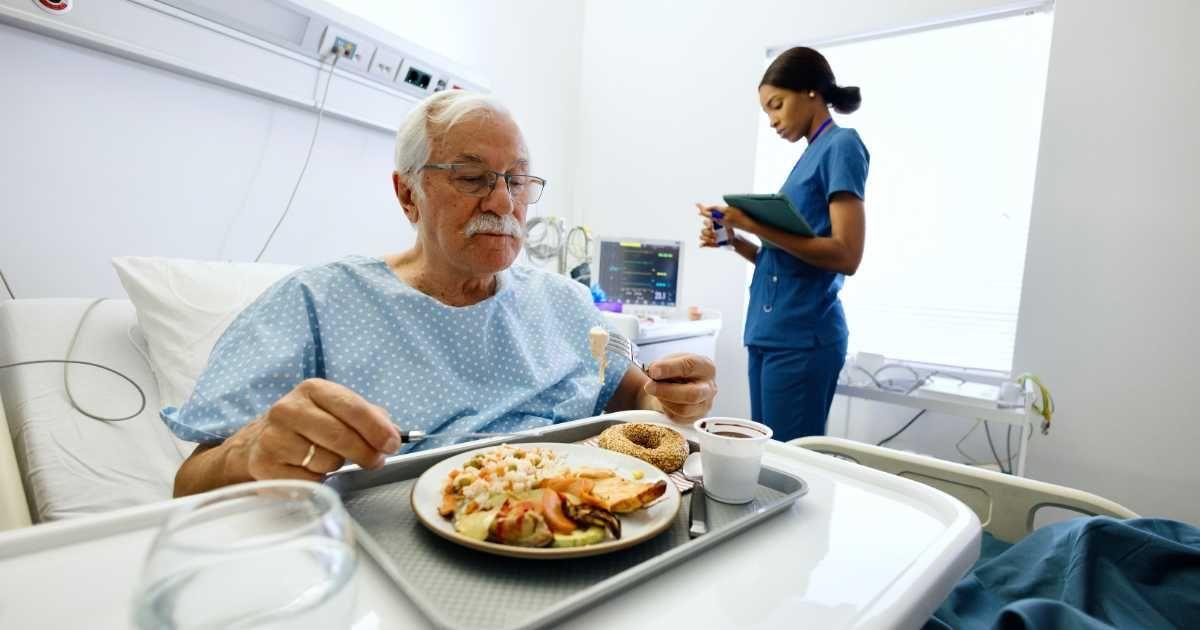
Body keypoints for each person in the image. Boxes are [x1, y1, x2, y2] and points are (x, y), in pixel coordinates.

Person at [168, 90, 718, 497]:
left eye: (517, 180)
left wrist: (668, 396)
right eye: (472, 178)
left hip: (591, 517)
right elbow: (190, 483)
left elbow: (630, 396)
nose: (504, 203)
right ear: (408, 194)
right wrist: (252, 450)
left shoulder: (564, 302)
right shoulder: (319, 303)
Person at [697, 47, 868, 442]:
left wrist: (752, 221)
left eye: (777, 105)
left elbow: (847, 254)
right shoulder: (810, 156)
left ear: (810, 91)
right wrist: (735, 240)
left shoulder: (841, 145)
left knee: (792, 462)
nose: (773, 120)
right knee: (770, 455)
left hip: (802, 336)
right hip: (770, 333)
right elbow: (783, 261)